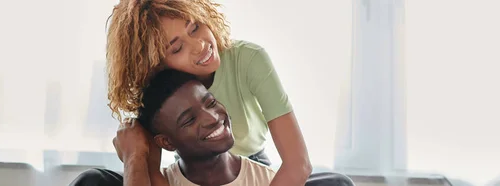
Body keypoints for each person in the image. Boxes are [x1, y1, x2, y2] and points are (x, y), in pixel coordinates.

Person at [103, 0, 353, 185]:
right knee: (95, 180)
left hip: (252, 163)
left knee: (335, 182)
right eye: (177, 48)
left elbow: (298, 163)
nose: (200, 45)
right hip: (191, 170)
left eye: (195, 28)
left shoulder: (249, 59)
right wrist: (134, 156)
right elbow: (154, 176)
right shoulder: (158, 94)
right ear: (155, 64)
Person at [70, 70, 354, 186]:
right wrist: (135, 156)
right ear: (166, 142)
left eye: (211, 102)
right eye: (189, 120)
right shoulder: (162, 183)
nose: (212, 117)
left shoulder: (268, 181)